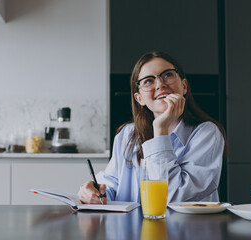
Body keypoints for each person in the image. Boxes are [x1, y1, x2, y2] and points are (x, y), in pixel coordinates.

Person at [78, 51, 227, 204]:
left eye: (168, 75)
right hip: (132, 228)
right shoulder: (127, 134)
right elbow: (111, 185)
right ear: (139, 98)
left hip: (185, 227)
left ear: (184, 86)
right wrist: (94, 193)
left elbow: (170, 197)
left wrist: (161, 128)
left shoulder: (207, 133)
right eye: (148, 81)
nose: (160, 84)